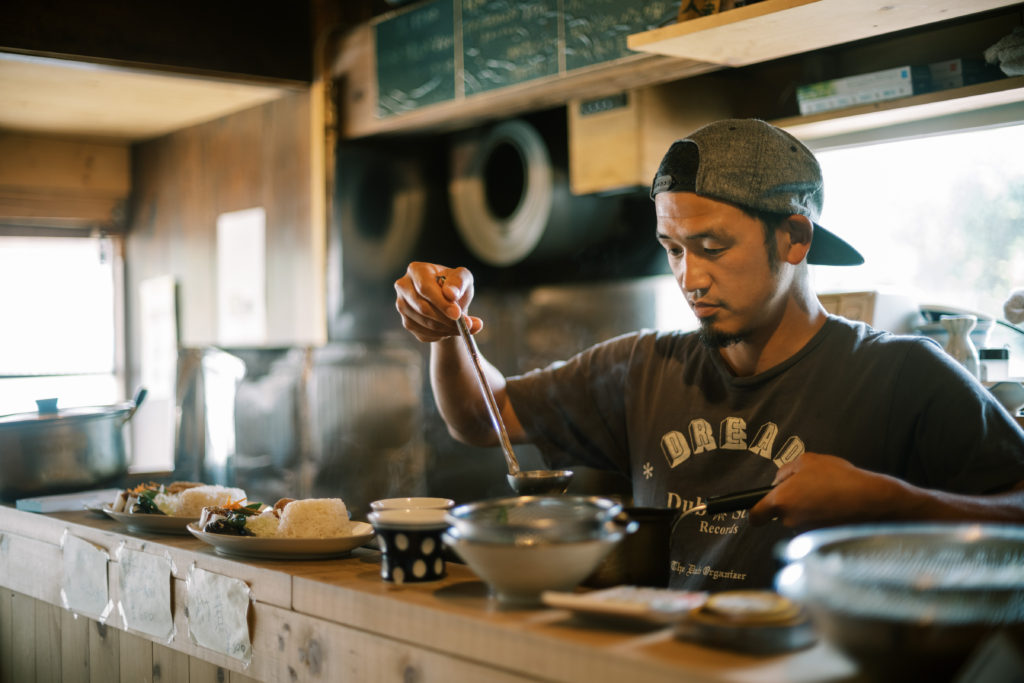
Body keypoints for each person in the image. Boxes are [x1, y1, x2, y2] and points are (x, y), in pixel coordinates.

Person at [394, 118, 1024, 590]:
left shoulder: (901, 376)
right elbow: (482, 418)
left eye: (712, 247)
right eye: (671, 248)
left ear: (795, 237)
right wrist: (447, 334)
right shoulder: (644, 370)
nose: (688, 278)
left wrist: (892, 501)